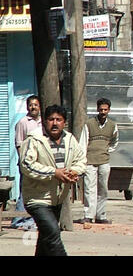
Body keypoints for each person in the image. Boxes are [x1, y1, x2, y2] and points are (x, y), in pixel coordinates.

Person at [19, 105, 86, 256]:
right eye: (51, 119)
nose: (54, 123)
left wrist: (73, 172)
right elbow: (26, 165)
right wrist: (54, 173)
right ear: (44, 122)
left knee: (45, 238)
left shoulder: (70, 139)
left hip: (57, 199)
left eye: (58, 120)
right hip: (37, 199)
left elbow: (81, 160)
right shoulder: (34, 140)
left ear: (64, 123)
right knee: (53, 234)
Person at [79, 98, 118, 224]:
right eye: (101, 109)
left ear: (109, 110)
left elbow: (114, 142)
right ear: (97, 109)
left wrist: (106, 150)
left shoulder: (112, 125)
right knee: (89, 188)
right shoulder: (89, 124)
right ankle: (89, 215)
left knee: (103, 189)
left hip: (104, 161)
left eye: (105, 110)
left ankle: (101, 215)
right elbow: (83, 142)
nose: (103, 112)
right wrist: (83, 160)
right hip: (90, 161)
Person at [11, 95, 42, 230]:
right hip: (27, 163)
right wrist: (23, 161)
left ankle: (31, 219)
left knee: (37, 192)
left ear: (39, 106)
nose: (33, 107)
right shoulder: (23, 122)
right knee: (25, 191)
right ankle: (18, 219)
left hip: (40, 164)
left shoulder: (43, 123)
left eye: (35, 104)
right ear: (27, 107)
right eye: (30, 105)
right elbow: (18, 143)